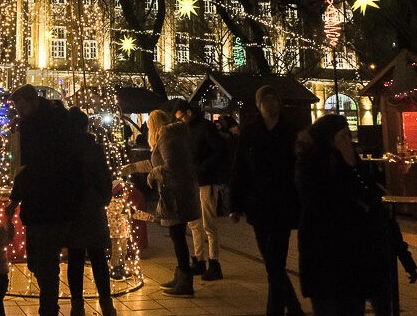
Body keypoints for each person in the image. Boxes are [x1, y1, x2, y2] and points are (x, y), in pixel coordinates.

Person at [295, 114, 384, 316]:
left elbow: (370, 194)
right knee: (328, 306)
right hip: (322, 251)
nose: (348, 141)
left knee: (353, 306)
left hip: (353, 252)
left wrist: (352, 166)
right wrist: (348, 167)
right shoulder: (309, 162)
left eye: (348, 136)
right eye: (343, 136)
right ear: (329, 138)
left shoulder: (352, 160)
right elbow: (321, 200)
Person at [4, 84, 80, 315]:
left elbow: (26, 168)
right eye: (16, 106)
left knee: (45, 263)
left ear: (33, 101)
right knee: (38, 262)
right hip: (42, 203)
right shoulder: (36, 124)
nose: (18, 110)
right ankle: (49, 305)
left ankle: (48, 308)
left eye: (21, 105)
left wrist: (15, 198)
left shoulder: (42, 126)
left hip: (49, 202)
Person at [230, 86, 306, 316]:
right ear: (259, 105)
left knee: (275, 261)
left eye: (274, 100)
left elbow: (299, 169)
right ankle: (293, 308)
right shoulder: (251, 133)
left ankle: (276, 310)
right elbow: (239, 169)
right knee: (272, 262)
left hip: (284, 204)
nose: (271, 105)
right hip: (259, 204)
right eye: (266, 101)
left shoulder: (291, 132)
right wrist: (235, 204)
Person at [122, 109, 199, 297]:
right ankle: (181, 275)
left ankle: (185, 282)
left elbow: (170, 165)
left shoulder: (168, 138)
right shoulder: (169, 137)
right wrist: (132, 168)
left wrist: (153, 174)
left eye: (148, 125)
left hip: (177, 196)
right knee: (176, 235)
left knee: (178, 236)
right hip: (175, 193)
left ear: (154, 124)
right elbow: (155, 162)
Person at [64, 107, 116, 316]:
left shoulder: (64, 149)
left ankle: (77, 304)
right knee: (98, 257)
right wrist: (103, 198)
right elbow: (104, 178)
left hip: (72, 210)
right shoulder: (94, 148)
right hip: (92, 208)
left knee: (75, 258)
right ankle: (106, 303)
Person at [173, 99, 228, 280]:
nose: (180, 121)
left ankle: (214, 262)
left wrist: (201, 168)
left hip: (205, 180)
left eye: (181, 117)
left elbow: (220, 151)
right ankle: (199, 260)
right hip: (192, 181)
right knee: (194, 223)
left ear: (189, 112)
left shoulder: (205, 128)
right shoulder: (185, 130)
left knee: (208, 223)